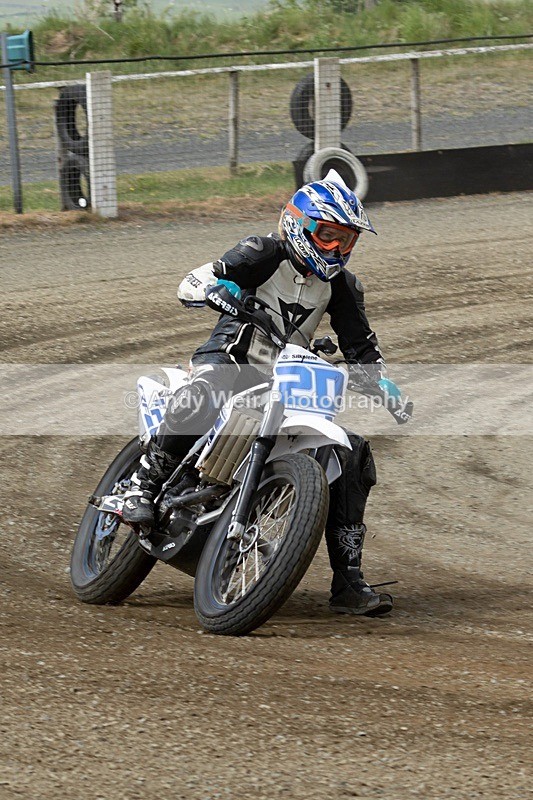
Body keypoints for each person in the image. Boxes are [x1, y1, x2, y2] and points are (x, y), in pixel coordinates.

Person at [123, 169, 408, 616]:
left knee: (353, 454)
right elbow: (199, 278)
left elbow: (362, 348)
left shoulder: (343, 286)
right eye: (328, 235)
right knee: (210, 388)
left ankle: (348, 582)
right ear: (298, 224)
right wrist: (212, 289)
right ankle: (144, 485)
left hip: (290, 380)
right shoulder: (263, 251)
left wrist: (382, 382)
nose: (336, 248)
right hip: (231, 359)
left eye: (346, 240)